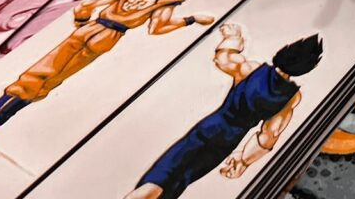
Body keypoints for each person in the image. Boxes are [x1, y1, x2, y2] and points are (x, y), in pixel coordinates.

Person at [0, 0, 212, 137]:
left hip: (90, 28)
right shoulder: (167, 1)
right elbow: (158, 28)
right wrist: (190, 20)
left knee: (40, 71)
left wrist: (81, 23)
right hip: (108, 37)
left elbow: (87, 5)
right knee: (53, 79)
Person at [126, 24, 323, 199]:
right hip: (229, 141)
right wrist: (244, 160)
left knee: (165, 173)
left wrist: (233, 37)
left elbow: (223, 59)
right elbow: (269, 135)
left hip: (212, 126)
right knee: (183, 179)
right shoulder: (291, 97)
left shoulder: (252, 70)